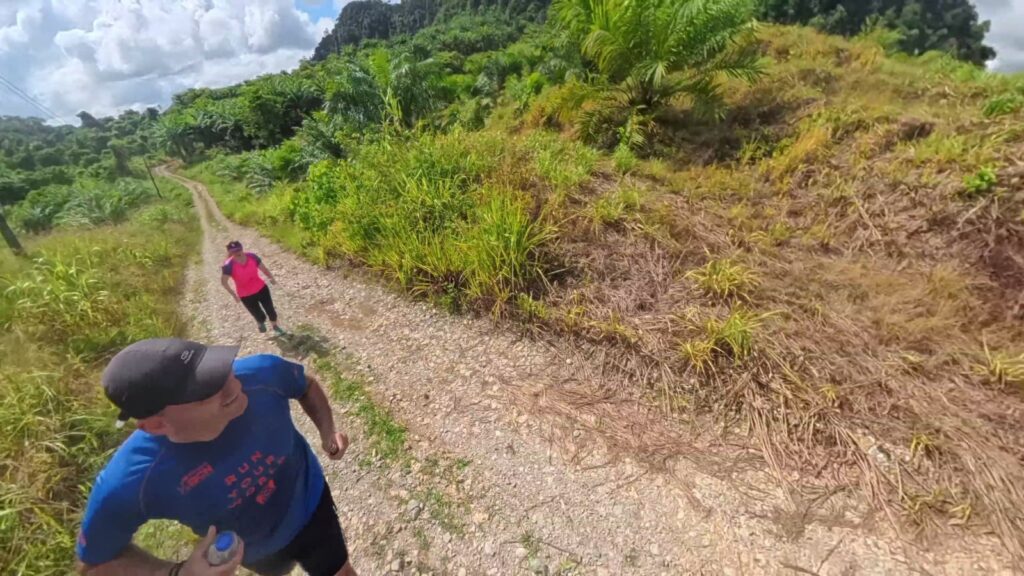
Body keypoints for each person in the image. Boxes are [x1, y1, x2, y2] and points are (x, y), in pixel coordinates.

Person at [76, 338, 357, 576]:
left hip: (312, 506)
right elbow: (94, 564)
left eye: (219, 368)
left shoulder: (262, 374)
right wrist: (176, 572)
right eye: (206, 389)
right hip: (255, 552)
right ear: (156, 425)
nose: (233, 384)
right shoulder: (132, 479)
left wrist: (327, 432)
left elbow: (305, 386)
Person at [221, 240, 283, 334]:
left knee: (270, 309)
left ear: (242, 248)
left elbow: (264, 268)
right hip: (246, 295)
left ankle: (275, 327)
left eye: (239, 249)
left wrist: (271, 278)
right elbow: (224, 282)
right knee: (259, 315)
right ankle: (260, 322)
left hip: (261, 289)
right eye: (234, 251)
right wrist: (233, 295)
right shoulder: (228, 265)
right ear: (230, 252)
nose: (237, 252)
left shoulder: (252, 257)